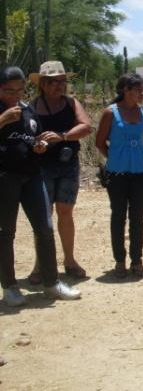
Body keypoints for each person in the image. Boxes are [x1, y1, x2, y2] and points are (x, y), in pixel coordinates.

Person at [0, 66, 81, 306]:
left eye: (19, 90)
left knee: (44, 229)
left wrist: (39, 146)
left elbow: (30, 137)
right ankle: (10, 287)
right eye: (8, 90)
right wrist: (2, 120)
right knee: (6, 232)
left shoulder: (28, 109)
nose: (14, 95)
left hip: (32, 175)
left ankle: (51, 283)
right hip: (5, 177)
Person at [27, 61, 92, 283]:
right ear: (43, 83)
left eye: (63, 81)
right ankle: (41, 264)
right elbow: (25, 134)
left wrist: (62, 136)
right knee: (43, 218)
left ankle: (69, 260)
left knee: (65, 212)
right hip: (41, 167)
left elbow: (86, 126)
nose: (60, 86)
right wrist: (35, 143)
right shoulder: (32, 106)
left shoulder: (72, 103)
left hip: (67, 165)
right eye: (55, 82)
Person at [96, 74, 143, 278]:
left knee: (137, 216)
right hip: (117, 173)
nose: (142, 93)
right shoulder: (110, 113)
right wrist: (116, 158)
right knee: (118, 215)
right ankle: (120, 261)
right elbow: (100, 142)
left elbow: (141, 138)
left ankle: (137, 261)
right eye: (138, 90)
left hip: (140, 171)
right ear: (126, 91)